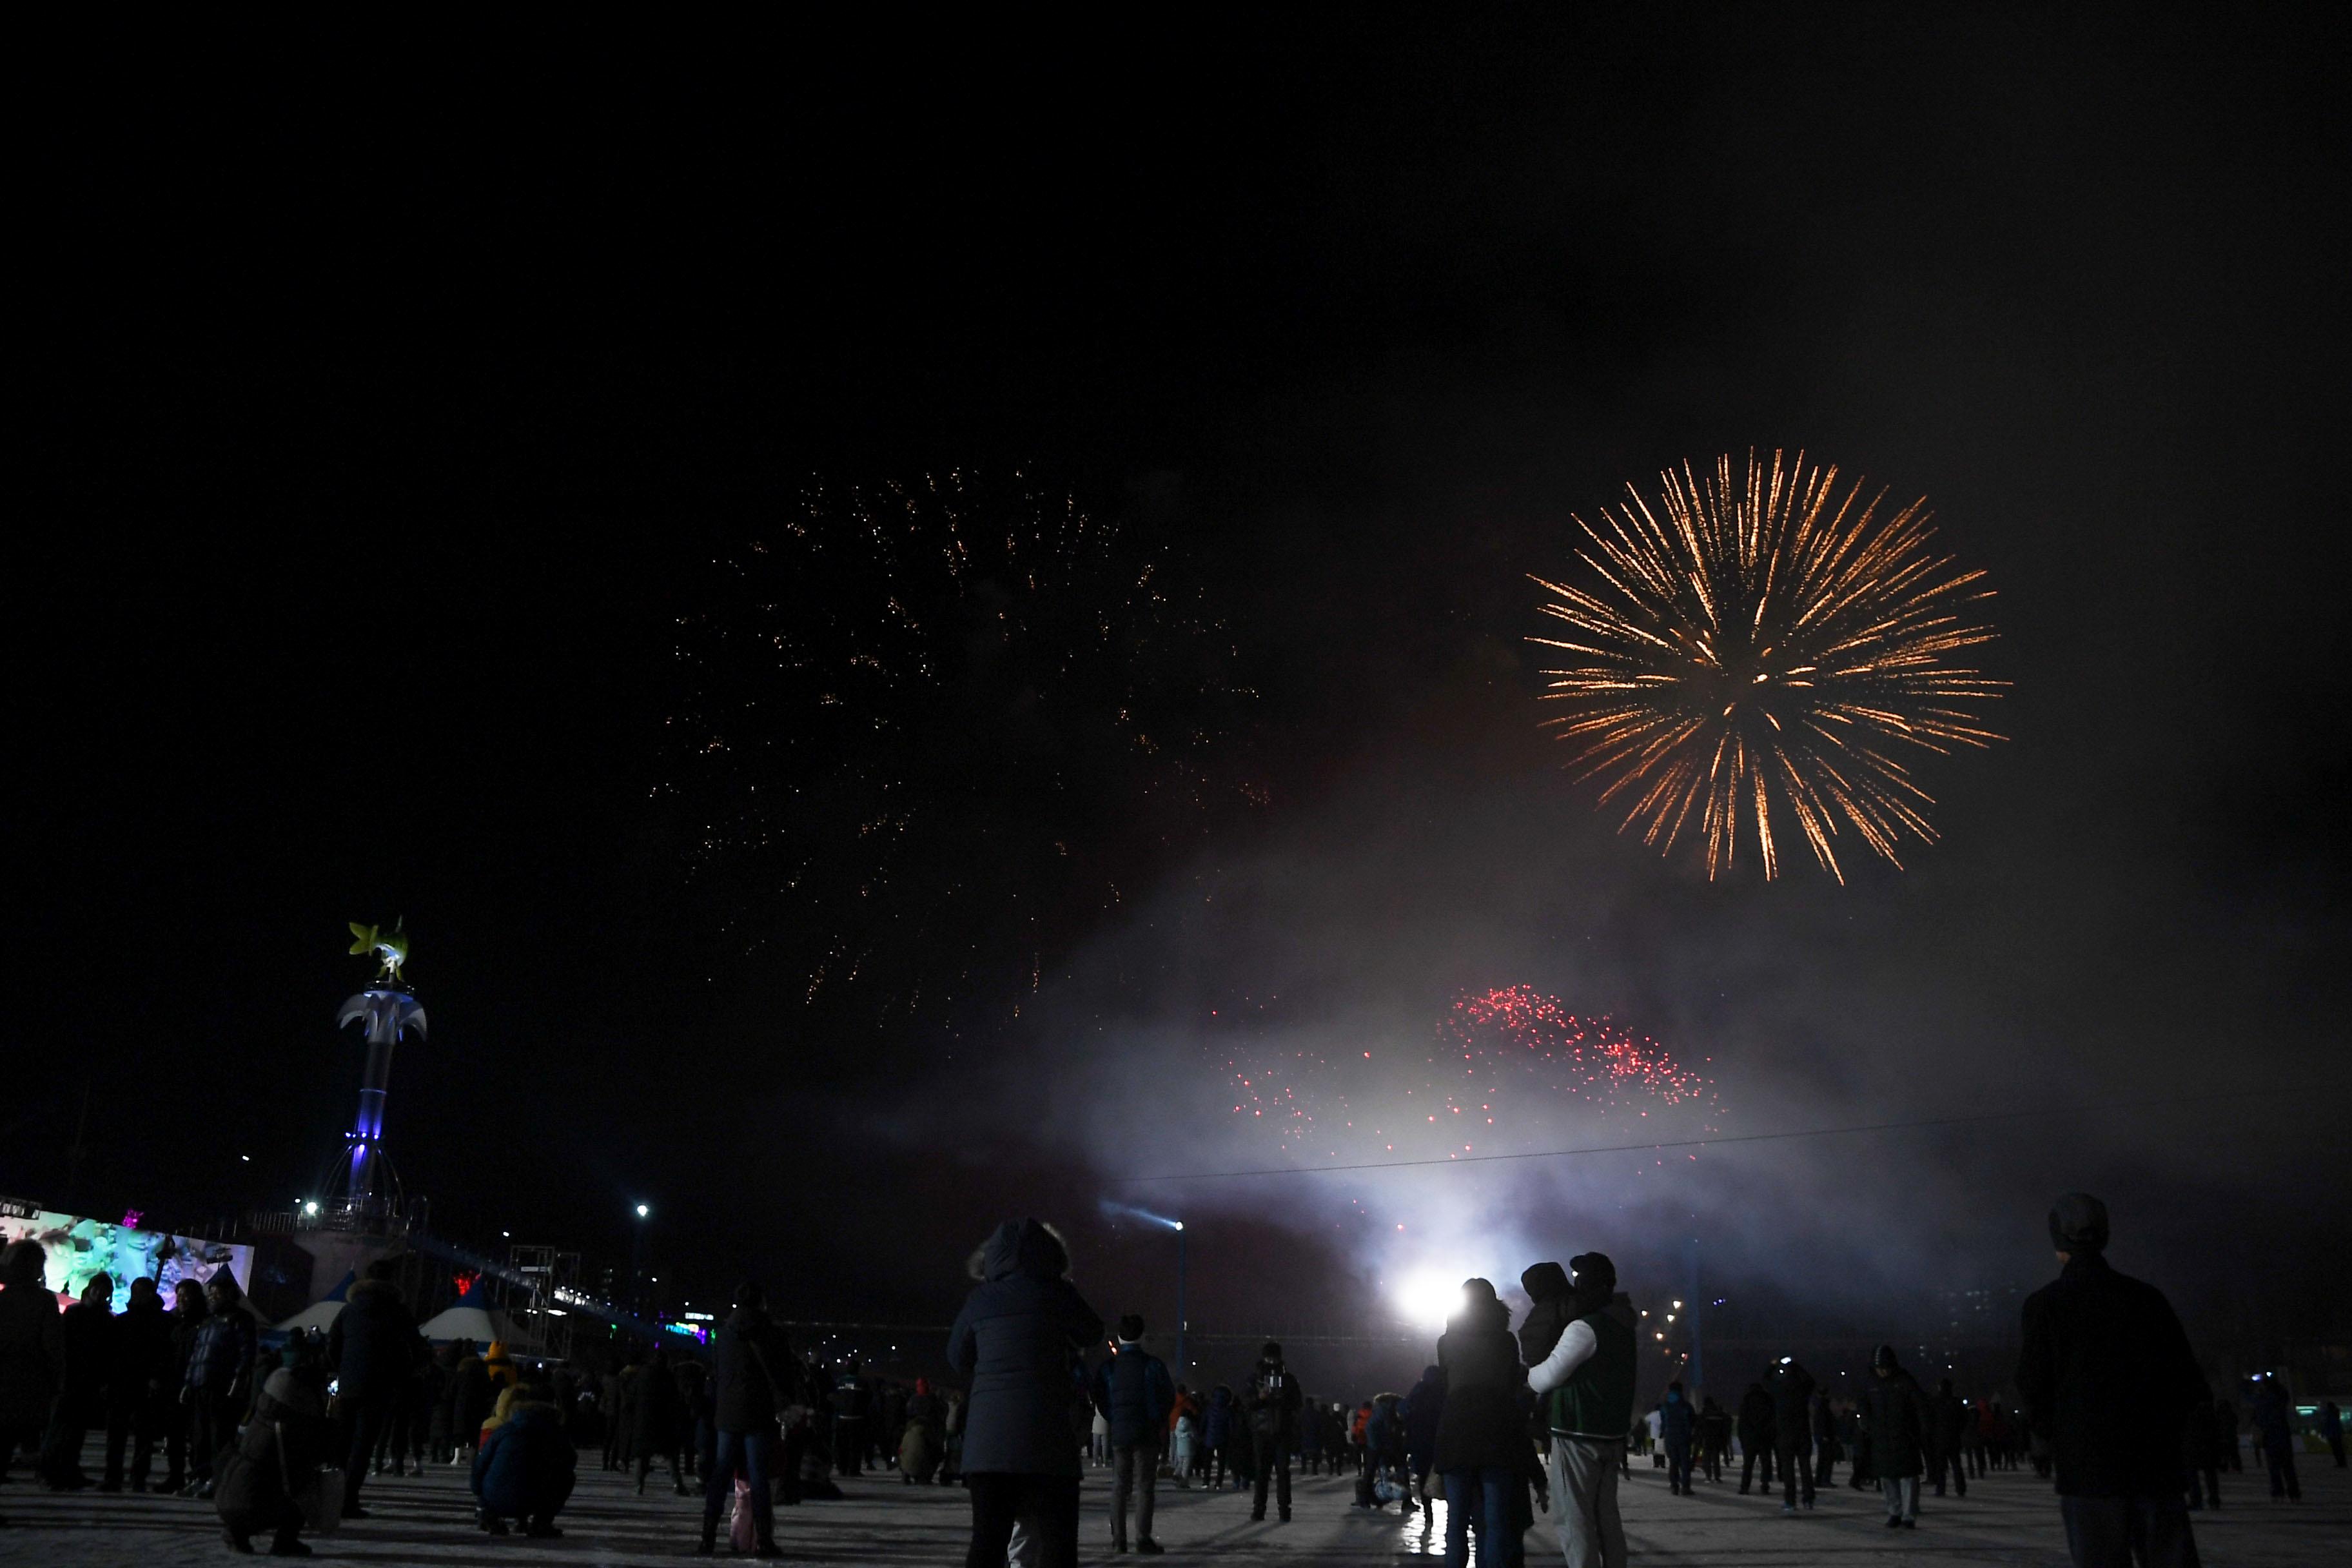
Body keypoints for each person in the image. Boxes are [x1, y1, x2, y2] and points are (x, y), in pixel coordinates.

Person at [2017, 1193, 2209, 1565]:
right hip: (2154, 1466)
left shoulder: (2046, 1306)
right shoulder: (2146, 1299)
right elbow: (2187, 1381)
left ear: (2059, 1243)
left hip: (2088, 1472)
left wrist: (2063, 1438)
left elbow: (2032, 1385)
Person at [948, 1219, 1101, 1568]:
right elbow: (1092, 1332)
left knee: (987, 1543)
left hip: (989, 1447)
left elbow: (957, 1358)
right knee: (1057, 1546)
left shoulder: (980, 1299)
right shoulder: (1059, 1294)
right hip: (1047, 1440)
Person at [1524, 1253, 1633, 1568]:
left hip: (1577, 1430)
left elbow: (1547, 1377)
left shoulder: (1586, 1328)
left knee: (1573, 1518)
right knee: (1606, 1517)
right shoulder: (1624, 1324)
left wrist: (1527, 1378)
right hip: (1611, 1434)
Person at [1431, 1279, 1525, 1568]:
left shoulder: (1446, 1341)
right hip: (1497, 1430)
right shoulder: (1507, 1341)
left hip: (1456, 1430)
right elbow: (1513, 1385)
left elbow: (1447, 1384)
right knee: (1495, 1521)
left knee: (1456, 1519)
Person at [700, 1279, 796, 1558]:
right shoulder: (774, 1335)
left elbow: (717, 1374)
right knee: (758, 1477)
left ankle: (707, 1538)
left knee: (720, 1474)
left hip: (727, 1415)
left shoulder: (724, 1335)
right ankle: (764, 1540)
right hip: (759, 1414)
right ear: (762, 1302)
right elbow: (785, 1376)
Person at [326, 1257, 416, 1519]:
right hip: (380, 1388)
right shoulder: (398, 1312)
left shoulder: (348, 1310)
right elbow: (413, 1348)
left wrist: (343, 1369)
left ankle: (331, 1496)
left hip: (348, 1386)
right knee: (362, 1447)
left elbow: (332, 1345)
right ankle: (349, 1499)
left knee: (341, 1445)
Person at [214, 1364, 328, 1556]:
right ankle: (285, 1542)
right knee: (305, 1486)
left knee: (256, 1479)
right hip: (250, 1504)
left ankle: (237, 1532)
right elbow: (311, 1461)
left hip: (225, 1498)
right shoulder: (291, 1426)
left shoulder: (261, 1414)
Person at [1091, 1313, 1173, 1554]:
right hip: (1146, 1433)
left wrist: (1114, 1418)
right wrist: (1156, 1420)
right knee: (1145, 1486)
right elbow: (1166, 1397)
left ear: (1119, 1337)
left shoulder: (1109, 1368)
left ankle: (1119, 1540)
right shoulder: (1153, 1365)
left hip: (1120, 1433)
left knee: (1119, 1486)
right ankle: (1143, 1538)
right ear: (1143, 1337)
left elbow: (1101, 1398)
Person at [473, 1378, 576, 1537]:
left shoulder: (506, 1429)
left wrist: (480, 1494)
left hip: (495, 1498)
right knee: (567, 1477)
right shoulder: (556, 1433)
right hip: (533, 1500)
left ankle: (488, 1514)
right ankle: (541, 1522)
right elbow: (570, 1461)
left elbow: (481, 1464)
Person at [184, 1273, 257, 1497]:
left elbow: (247, 1352)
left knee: (219, 1437)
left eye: (218, 1293)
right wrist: (188, 1381)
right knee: (200, 1436)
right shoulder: (208, 1320)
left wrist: (239, 1380)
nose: (213, 1297)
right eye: (211, 1293)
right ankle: (199, 1476)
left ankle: (217, 1480)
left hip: (222, 1385)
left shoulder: (240, 1318)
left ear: (229, 1294)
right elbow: (197, 1353)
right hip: (201, 1383)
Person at [0, 1242, 63, 1500]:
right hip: (27, 1384)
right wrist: (58, 1381)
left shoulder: (3, 1299)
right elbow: (53, 1346)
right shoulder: (44, 1301)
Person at [102, 1276, 173, 1491]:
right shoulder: (123, 1321)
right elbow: (112, 1354)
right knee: (117, 1434)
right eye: (136, 1291)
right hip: (123, 1383)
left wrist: (157, 1377)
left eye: (142, 1292)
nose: (138, 1296)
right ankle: (113, 1477)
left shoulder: (163, 1322)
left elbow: (167, 1354)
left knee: (144, 1435)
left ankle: (137, 1477)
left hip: (146, 1385)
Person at [44, 1273, 114, 1489]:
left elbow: (108, 1353)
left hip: (90, 1380)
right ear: (89, 1289)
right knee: (61, 1427)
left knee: (77, 1430)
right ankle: (51, 1471)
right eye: (97, 1288)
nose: (100, 1293)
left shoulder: (107, 1319)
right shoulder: (75, 1313)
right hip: (71, 1378)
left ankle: (70, 1469)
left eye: (105, 1291)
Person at [1862, 1345, 1930, 1528]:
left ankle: (1909, 1515)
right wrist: (1867, 1424)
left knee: (1908, 1477)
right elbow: (1863, 1405)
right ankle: (1895, 1512)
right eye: (1879, 1368)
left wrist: (1921, 1429)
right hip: (1882, 1437)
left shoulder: (1905, 1381)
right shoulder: (1871, 1383)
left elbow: (1920, 1405)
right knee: (1887, 1477)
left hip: (1903, 1435)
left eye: (1885, 1367)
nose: (1882, 1371)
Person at [1242, 1340, 1303, 1522]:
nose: (1271, 1361)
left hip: (1282, 1431)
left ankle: (1284, 1510)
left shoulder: (1289, 1379)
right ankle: (1259, 1509)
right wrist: (1260, 1397)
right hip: (1262, 1432)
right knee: (1262, 1472)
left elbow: (1297, 1403)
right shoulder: (1254, 1379)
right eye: (1268, 1357)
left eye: (1274, 1357)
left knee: (1283, 1472)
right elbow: (1246, 1403)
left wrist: (1283, 1398)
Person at [634, 1345, 690, 1496]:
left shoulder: (642, 1374)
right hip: (663, 1421)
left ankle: (639, 1485)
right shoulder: (668, 1376)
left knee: (642, 1456)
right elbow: (674, 1400)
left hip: (644, 1421)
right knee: (670, 1456)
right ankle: (677, 1484)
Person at [1767, 1356, 1816, 1512]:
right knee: (1805, 1468)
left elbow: (1766, 1380)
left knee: (1788, 1469)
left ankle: (1790, 1500)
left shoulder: (1779, 1389)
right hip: (1803, 1432)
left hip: (1786, 1433)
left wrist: (1773, 1366)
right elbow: (1810, 1381)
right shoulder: (1802, 1390)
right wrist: (1795, 1365)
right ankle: (1808, 1499)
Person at [2248, 1377, 2299, 1503]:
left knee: (2274, 1468)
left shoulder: (2263, 1400)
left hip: (2270, 1437)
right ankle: (2294, 1493)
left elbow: (2258, 1414)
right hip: (2283, 1435)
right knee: (2288, 1467)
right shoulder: (2281, 1397)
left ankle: (2278, 1492)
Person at [1406, 1363, 1447, 1511]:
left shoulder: (1419, 1390)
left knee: (1423, 1476)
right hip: (1442, 1438)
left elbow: (1403, 1409)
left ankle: (1428, 1514)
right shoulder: (1444, 1390)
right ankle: (1455, 1512)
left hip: (1420, 1440)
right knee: (1447, 1475)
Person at [1930, 1378, 1970, 1498]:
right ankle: (1960, 1489)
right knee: (1956, 1465)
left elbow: (1930, 1419)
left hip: (1940, 1438)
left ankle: (1941, 1489)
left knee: (1941, 1467)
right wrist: (1958, 1430)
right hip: (1953, 1438)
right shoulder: (1956, 1402)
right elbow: (1964, 1419)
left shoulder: (1936, 1402)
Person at [1736, 1379, 1775, 1493]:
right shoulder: (1768, 1400)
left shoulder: (1746, 1401)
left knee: (1748, 1465)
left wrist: (1742, 1438)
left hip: (1750, 1438)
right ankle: (1765, 1485)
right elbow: (1773, 1420)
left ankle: (1745, 1487)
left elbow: (1742, 1422)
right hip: (1765, 1438)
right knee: (1766, 1463)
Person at [1658, 1381, 1694, 1495]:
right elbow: (1692, 1421)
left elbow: (1663, 1421)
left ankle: (1674, 1486)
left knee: (1673, 1462)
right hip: (1683, 1436)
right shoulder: (1686, 1405)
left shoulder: (1665, 1406)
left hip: (1670, 1436)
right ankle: (1685, 1487)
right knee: (1684, 1463)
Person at [1696, 1395, 1730, 1485]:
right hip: (1718, 1439)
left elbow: (1699, 1426)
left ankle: (1708, 1476)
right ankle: (1717, 1477)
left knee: (1706, 1458)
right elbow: (1727, 1421)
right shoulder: (1719, 1413)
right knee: (1716, 1458)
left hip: (1707, 1439)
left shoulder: (1704, 1413)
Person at [1812, 1390, 1841, 1489]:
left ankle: (1819, 1480)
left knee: (1822, 1460)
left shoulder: (1819, 1407)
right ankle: (1825, 1480)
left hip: (1822, 1436)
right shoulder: (1825, 1408)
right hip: (1826, 1437)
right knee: (1827, 1460)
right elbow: (1825, 1422)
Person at [2320, 1400, 2345, 1470]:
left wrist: (2324, 1433)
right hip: (2337, 1434)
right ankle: (2342, 1463)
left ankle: (2340, 1463)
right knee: (2339, 1449)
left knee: (2336, 1450)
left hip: (2332, 1435)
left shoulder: (2329, 1415)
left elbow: (2327, 1425)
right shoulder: (2336, 1414)